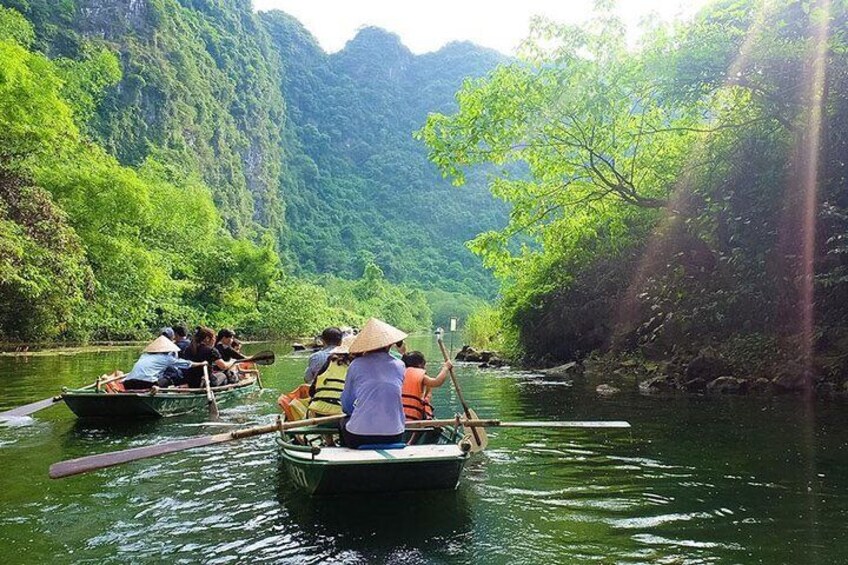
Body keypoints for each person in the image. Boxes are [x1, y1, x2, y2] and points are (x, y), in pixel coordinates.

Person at [340, 318, 408, 448]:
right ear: (389, 345)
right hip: (395, 434)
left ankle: (345, 455)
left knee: (343, 421)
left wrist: (355, 412)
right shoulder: (400, 365)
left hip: (359, 437)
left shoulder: (356, 364)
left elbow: (347, 404)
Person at [122, 336, 206, 390]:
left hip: (128, 383)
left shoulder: (144, 355)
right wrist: (201, 363)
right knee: (169, 379)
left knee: (161, 375)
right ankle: (159, 389)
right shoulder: (167, 358)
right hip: (146, 384)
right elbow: (187, 364)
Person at [307, 338, 354, 417]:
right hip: (341, 414)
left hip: (318, 411)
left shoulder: (330, 361)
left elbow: (311, 392)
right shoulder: (356, 366)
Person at [401, 351, 452, 421]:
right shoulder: (420, 376)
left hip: (398, 419)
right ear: (420, 365)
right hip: (413, 420)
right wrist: (446, 368)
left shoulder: (399, 373)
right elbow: (437, 382)